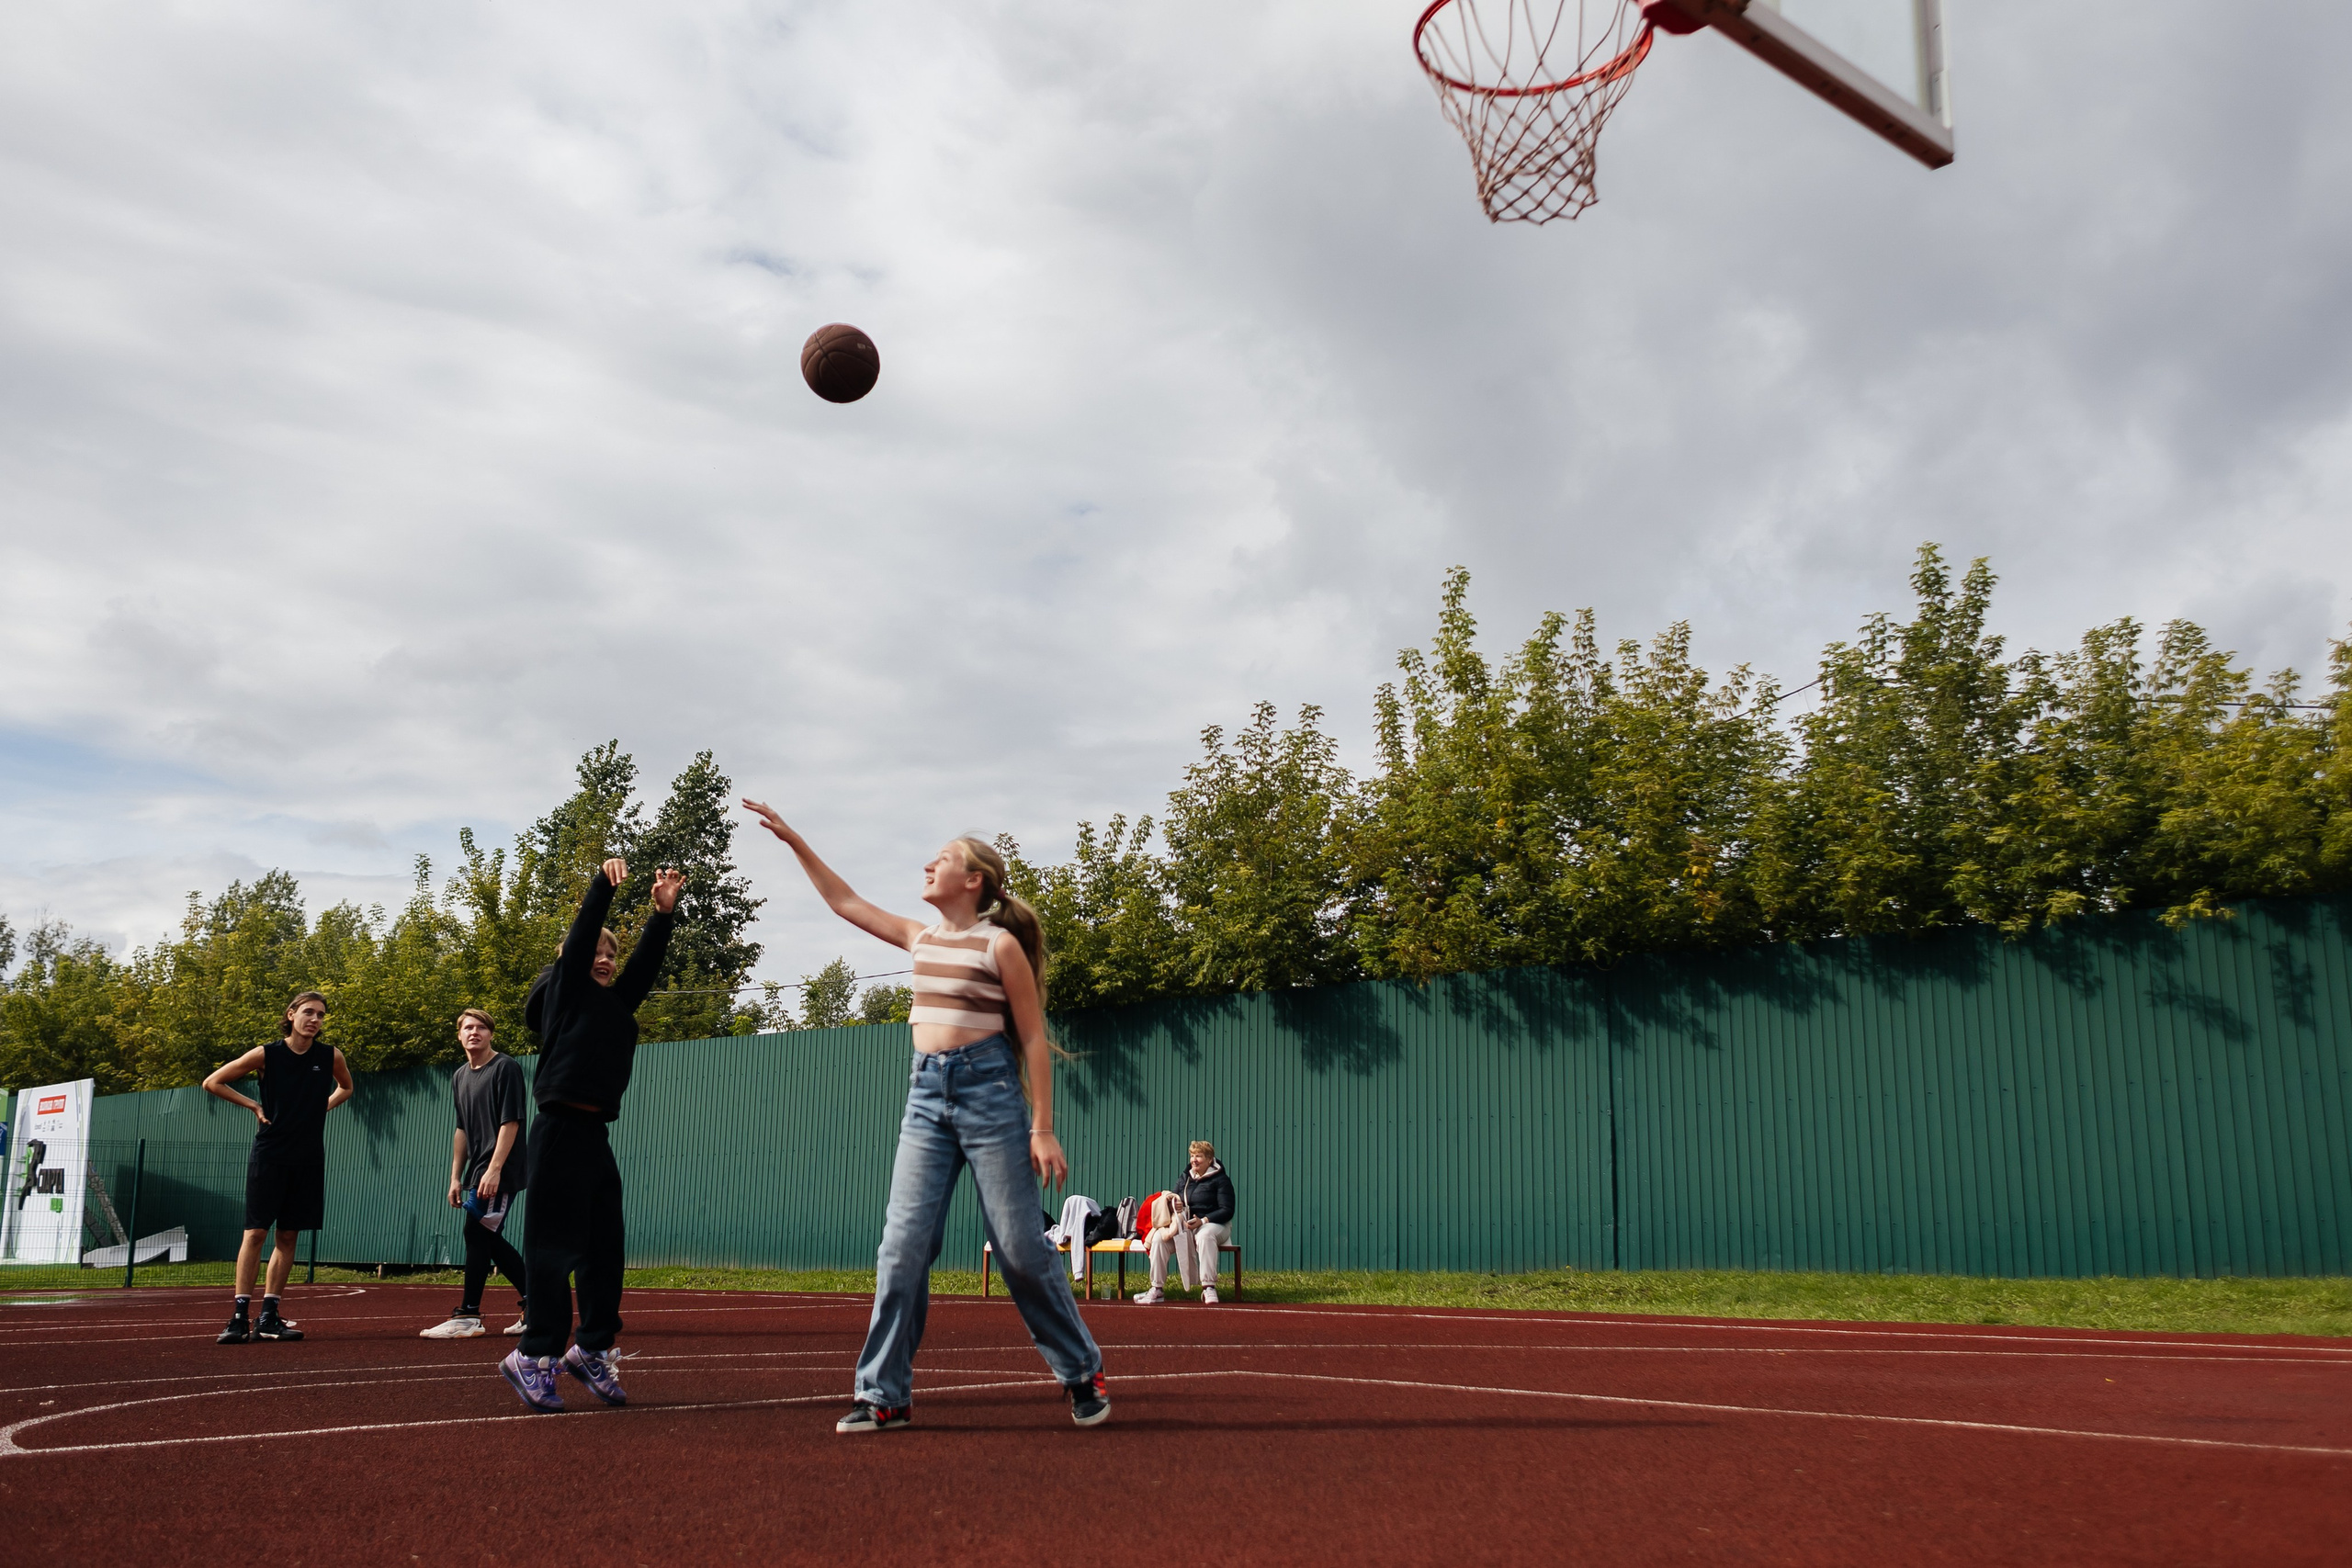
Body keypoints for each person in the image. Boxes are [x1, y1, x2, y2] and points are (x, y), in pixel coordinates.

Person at [743, 802, 1110, 1431]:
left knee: (1021, 1249)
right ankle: (884, 1391)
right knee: (902, 1247)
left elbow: (1031, 1038)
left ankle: (1081, 1369)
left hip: (991, 1095)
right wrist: (796, 840)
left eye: (941, 859)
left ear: (974, 882)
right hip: (925, 1099)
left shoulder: (999, 946)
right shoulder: (921, 936)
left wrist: (1041, 1125)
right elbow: (846, 902)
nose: (927, 864)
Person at [497, 857, 684, 1413]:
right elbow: (579, 941)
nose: (604, 959)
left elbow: (644, 971)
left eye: (611, 953)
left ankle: (593, 1349)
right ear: (573, 959)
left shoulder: (614, 1004)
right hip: (556, 1130)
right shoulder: (564, 995)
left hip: (595, 1136)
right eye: (596, 952)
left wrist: (663, 916)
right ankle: (533, 1356)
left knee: (605, 1250)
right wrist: (601, 888)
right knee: (552, 1250)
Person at [202, 991, 355, 1344]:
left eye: (321, 1015)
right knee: (255, 1233)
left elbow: (346, 1087)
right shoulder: (266, 1054)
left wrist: (323, 1107)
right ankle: (239, 1317)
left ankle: (269, 1317)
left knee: (288, 1236)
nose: (315, 1020)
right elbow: (213, 1082)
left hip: (308, 1156)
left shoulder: (330, 1056)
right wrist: (254, 1106)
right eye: (308, 1013)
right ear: (291, 1014)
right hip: (270, 1153)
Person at [422, 1008, 530, 1339]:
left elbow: (511, 1122)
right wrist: (456, 1177)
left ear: (490, 1034)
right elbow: (461, 1130)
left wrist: (495, 1169)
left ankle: (469, 1315)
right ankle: (537, 1304)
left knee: (477, 1232)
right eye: (468, 1027)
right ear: (459, 1035)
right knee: (484, 1236)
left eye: (481, 1027)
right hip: (477, 1169)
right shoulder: (460, 1076)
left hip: (501, 1168)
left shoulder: (505, 1068)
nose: (474, 1032)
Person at [1138, 1140, 1235, 1304]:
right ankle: (1157, 1289)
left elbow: (1227, 1210)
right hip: (1186, 1225)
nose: (1194, 1160)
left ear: (1210, 1159)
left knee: (1204, 1235)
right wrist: (1173, 1204)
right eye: (1192, 1156)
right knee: (1158, 1239)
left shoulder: (1221, 1180)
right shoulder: (1185, 1177)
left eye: (1198, 1156)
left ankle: (1208, 1288)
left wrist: (1203, 1220)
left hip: (1215, 1225)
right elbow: (1174, 1195)